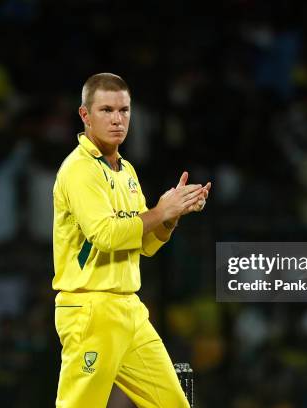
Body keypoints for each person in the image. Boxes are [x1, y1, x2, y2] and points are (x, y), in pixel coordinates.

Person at [52, 73, 211, 407]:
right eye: (106, 110)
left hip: (129, 310)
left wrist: (169, 217)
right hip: (90, 308)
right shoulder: (79, 170)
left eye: (124, 110)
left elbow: (144, 244)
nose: (117, 119)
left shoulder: (126, 172)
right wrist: (158, 210)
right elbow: (107, 236)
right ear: (85, 115)